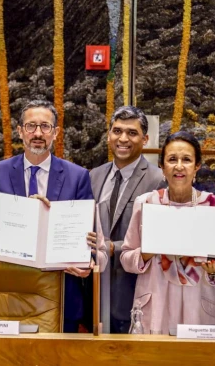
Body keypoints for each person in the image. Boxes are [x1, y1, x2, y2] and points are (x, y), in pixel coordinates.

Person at [0, 100, 96, 333]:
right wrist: (25, 215)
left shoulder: (78, 176)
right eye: (31, 126)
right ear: (20, 131)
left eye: (45, 126)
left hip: (61, 289)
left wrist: (86, 259)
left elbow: (86, 232)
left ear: (56, 133)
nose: (38, 133)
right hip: (11, 288)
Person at [121, 131, 215, 334]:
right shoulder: (145, 204)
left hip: (198, 306)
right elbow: (126, 258)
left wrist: (214, 269)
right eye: (172, 159)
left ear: (197, 166)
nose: (179, 166)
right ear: (162, 166)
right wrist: (148, 250)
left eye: (186, 160)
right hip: (155, 304)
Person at [89, 106, 165, 333]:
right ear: (109, 135)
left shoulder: (158, 179)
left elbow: (160, 235)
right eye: (117, 131)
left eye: (132, 133)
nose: (123, 138)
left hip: (134, 288)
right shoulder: (94, 175)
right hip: (94, 291)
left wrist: (114, 247)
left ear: (145, 139)